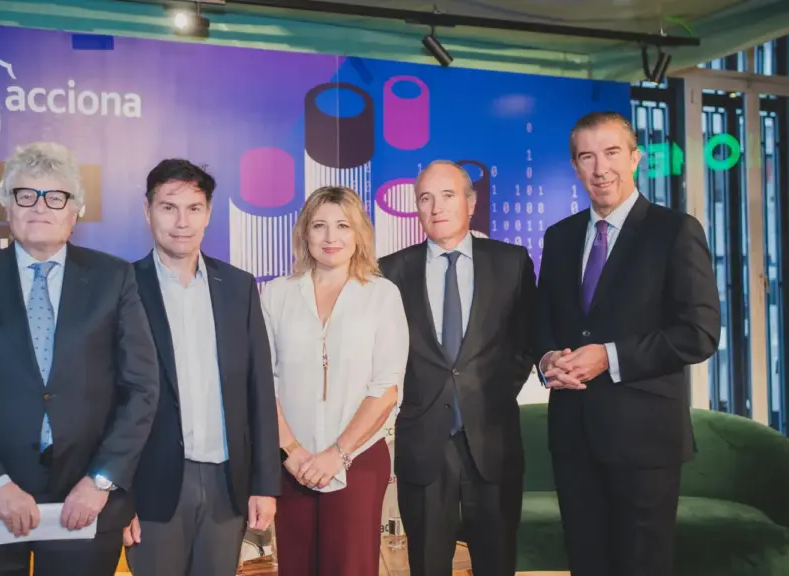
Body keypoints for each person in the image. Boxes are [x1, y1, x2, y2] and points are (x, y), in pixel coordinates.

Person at [0, 142, 160, 576]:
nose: (40, 206)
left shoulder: (114, 278)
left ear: (76, 210)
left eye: (55, 196)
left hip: (85, 503)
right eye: (25, 194)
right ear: (7, 207)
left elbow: (141, 388)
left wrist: (101, 481)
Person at [536, 111, 721, 576]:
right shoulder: (559, 237)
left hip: (645, 441)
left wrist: (610, 357)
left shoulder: (674, 231)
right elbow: (543, 321)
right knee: (586, 563)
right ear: (575, 167)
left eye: (612, 152)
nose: (601, 168)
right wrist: (547, 357)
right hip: (573, 437)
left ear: (636, 158)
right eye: (587, 157)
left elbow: (699, 332)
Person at [123, 159, 282, 576]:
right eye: (168, 207)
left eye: (194, 208)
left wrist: (265, 484)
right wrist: (118, 498)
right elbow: (106, 399)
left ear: (209, 213)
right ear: (147, 210)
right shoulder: (122, 286)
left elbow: (259, 391)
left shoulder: (239, 287)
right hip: (150, 489)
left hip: (227, 487)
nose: (182, 222)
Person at [379, 160, 536, 576]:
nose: (436, 208)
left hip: (492, 439)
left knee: (496, 562)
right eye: (425, 198)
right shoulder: (390, 271)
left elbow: (527, 341)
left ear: (471, 202)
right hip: (423, 441)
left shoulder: (511, 262)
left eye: (447, 196)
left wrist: (492, 392)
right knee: (427, 565)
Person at [262, 186, 408, 576]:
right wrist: (291, 451)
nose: (331, 237)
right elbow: (262, 383)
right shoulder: (276, 294)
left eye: (343, 225)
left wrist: (338, 454)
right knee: (296, 566)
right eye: (319, 226)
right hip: (289, 462)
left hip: (359, 460)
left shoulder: (382, 295)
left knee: (350, 567)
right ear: (304, 233)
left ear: (359, 232)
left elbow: (386, 389)